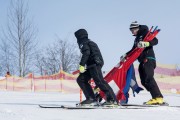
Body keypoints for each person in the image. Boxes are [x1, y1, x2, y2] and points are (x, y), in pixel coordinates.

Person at [121, 21, 164, 105]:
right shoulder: (136, 39)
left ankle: (158, 97)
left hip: (148, 59)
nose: (132, 32)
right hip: (141, 61)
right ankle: (155, 97)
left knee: (149, 78)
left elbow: (155, 40)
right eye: (131, 30)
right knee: (144, 81)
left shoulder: (146, 33)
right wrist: (125, 55)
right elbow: (133, 50)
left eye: (133, 30)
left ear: (137, 28)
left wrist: (147, 43)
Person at [74, 29, 117, 106]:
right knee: (81, 79)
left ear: (79, 37)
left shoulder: (83, 42)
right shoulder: (88, 42)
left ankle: (112, 100)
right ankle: (91, 99)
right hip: (92, 64)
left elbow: (86, 52)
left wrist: (82, 65)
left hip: (94, 63)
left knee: (99, 81)